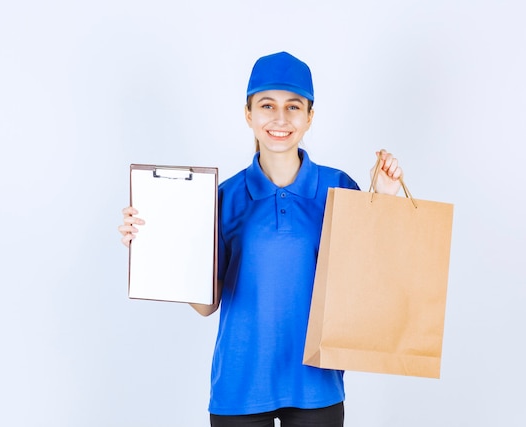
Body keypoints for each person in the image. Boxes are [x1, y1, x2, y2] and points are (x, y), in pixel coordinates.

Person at [119, 51, 403, 427]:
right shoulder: (223, 197)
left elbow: (366, 280)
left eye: (294, 106)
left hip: (316, 384)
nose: (280, 119)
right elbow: (208, 305)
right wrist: (157, 243)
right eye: (267, 105)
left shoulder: (337, 187)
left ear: (310, 116)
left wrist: (383, 200)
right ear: (248, 114)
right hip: (240, 388)